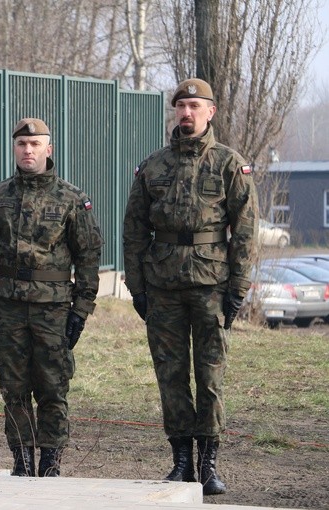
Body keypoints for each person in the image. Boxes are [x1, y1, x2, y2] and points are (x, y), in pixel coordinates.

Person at [122, 78, 258, 495]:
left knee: (210, 375)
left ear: (210, 111)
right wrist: (137, 286)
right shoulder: (153, 166)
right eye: (180, 106)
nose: (186, 113)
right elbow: (134, 229)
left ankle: (209, 463)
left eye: (195, 106)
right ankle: (180, 459)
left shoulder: (229, 164)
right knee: (171, 374)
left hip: (211, 286)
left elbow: (247, 230)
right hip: (163, 286)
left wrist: (238, 287)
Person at [0, 118, 103, 477]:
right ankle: (22, 460)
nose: (28, 150)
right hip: (8, 308)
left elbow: (88, 258)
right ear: (14, 148)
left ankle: (50, 462)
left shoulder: (73, 199)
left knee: (53, 387)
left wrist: (81, 310)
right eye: (22, 144)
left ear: (49, 149)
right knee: (13, 387)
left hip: (54, 309)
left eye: (35, 144)